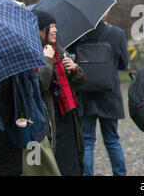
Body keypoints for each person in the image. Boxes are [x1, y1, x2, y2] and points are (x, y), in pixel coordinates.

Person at [69, 12, 129, 176]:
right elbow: (124, 64)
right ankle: (120, 174)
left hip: (85, 93)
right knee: (112, 140)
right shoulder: (117, 34)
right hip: (110, 94)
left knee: (87, 141)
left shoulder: (78, 34)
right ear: (107, 12)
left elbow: (70, 57)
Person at [32, 10, 86, 176]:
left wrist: (75, 70)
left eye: (56, 27)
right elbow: (39, 86)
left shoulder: (61, 52)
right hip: (49, 121)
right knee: (56, 165)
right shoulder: (33, 54)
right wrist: (47, 61)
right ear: (39, 30)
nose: (55, 30)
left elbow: (79, 83)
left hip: (67, 117)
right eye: (51, 27)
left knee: (72, 163)